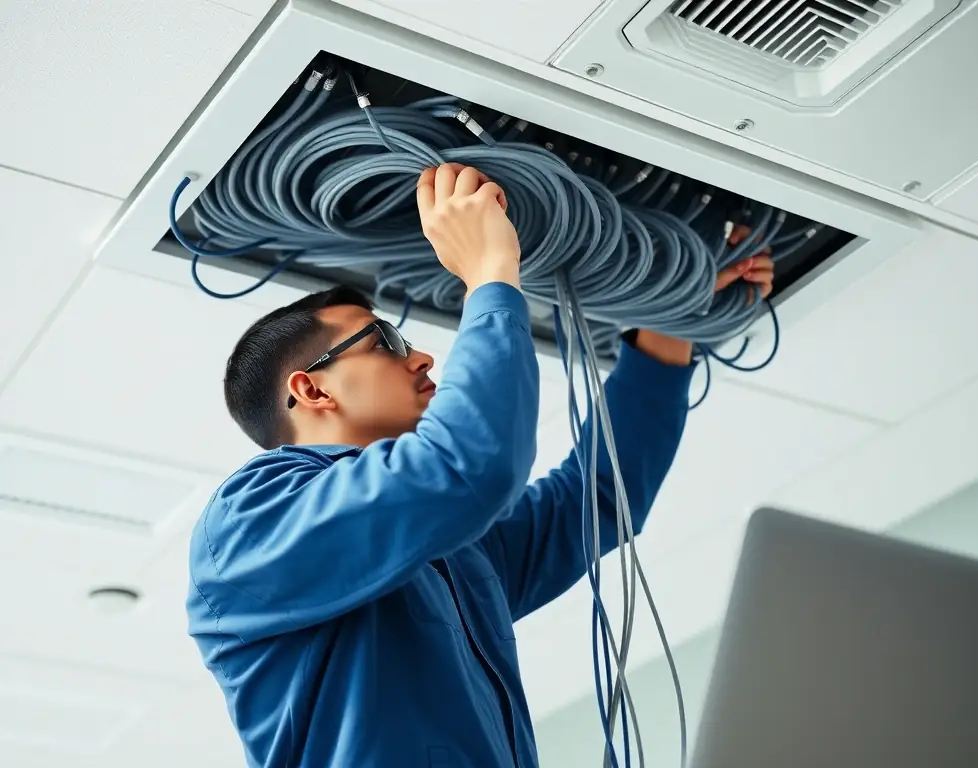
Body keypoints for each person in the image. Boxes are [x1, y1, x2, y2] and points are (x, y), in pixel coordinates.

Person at [186, 163, 774, 767]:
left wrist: (670, 319)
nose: (421, 357)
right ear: (311, 391)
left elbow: (597, 500)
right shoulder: (249, 522)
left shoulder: (447, 551)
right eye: (385, 341)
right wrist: (489, 271)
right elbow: (466, 466)